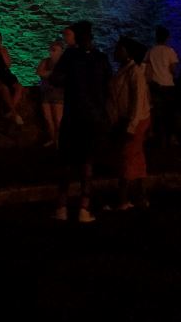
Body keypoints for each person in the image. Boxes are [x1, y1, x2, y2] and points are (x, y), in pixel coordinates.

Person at [51, 21, 111, 223]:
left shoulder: (70, 56)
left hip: (73, 116)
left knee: (66, 163)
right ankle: (84, 209)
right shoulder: (101, 59)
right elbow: (107, 86)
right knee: (87, 164)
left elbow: (55, 79)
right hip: (92, 118)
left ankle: (62, 207)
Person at [108, 36, 151, 211]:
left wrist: (131, 126)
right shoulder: (125, 70)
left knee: (127, 157)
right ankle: (141, 197)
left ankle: (123, 199)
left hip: (136, 120)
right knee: (137, 157)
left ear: (128, 52)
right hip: (131, 119)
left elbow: (137, 101)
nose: (115, 51)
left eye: (119, 48)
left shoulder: (135, 72)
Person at [144, 26, 179, 148]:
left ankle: (158, 136)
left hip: (155, 85)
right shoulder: (170, 51)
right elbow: (173, 69)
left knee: (157, 112)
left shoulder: (151, 51)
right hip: (168, 84)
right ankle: (171, 136)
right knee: (170, 112)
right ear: (167, 37)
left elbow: (147, 69)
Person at [35, 39, 65, 146]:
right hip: (46, 93)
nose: (51, 51)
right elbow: (39, 72)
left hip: (59, 94)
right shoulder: (45, 61)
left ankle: (59, 141)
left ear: (61, 51)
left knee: (58, 119)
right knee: (48, 118)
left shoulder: (64, 63)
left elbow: (63, 76)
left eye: (54, 49)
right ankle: (54, 139)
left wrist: (48, 74)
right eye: (51, 49)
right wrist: (52, 73)